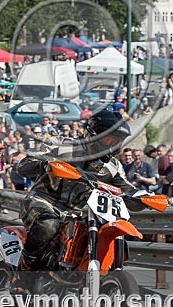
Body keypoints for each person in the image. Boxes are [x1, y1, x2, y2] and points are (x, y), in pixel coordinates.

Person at [14, 110, 135, 278]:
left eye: (117, 141)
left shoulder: (113, 167)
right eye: (109, 139)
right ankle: (22, 275)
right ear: (93, 135)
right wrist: (44, 165)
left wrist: (145, 197)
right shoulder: (62, 146)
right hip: (42, 202)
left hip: (76, 214)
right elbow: (24, 164)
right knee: (49, 225)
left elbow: (127, 189)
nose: (112, 145)